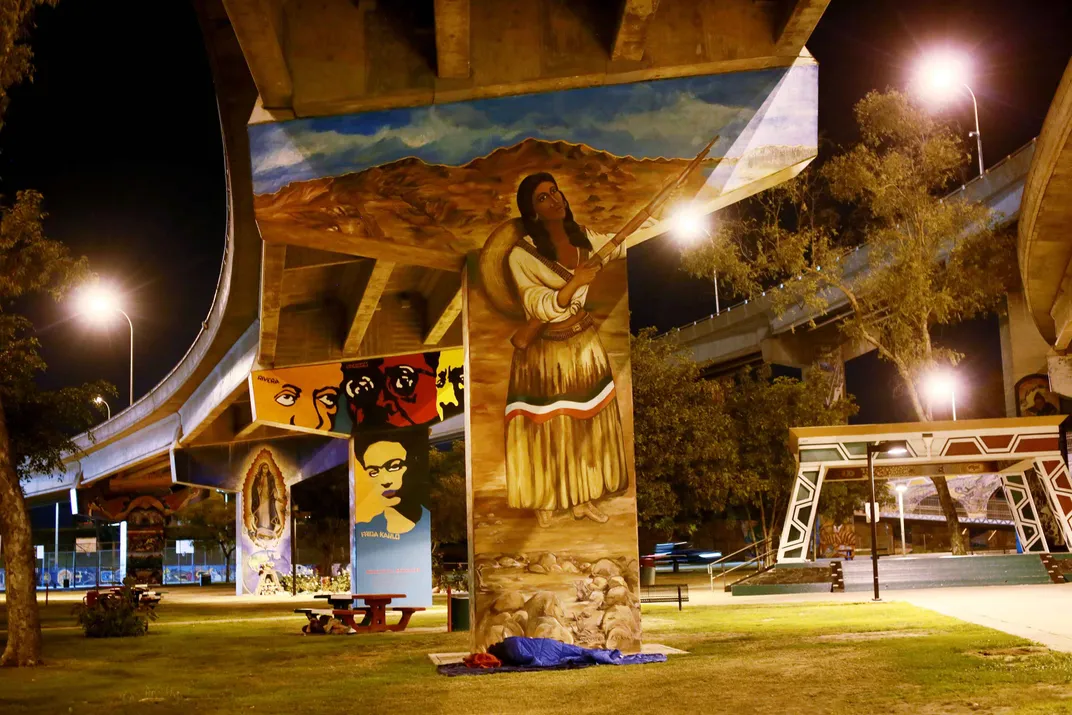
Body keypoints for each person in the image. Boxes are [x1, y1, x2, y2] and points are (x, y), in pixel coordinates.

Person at [503, 172, 628, 527]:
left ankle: (583, 497)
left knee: (588, 420)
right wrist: (575, 282)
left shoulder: (585, 238)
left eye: (555, 191)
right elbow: (537, 303)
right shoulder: (522, 255)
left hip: (584, 342)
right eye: (542, 197)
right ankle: (545, 500)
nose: (554, 198)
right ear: (533, 212)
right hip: (544, 349)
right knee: (547, 423)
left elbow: (619, 244)